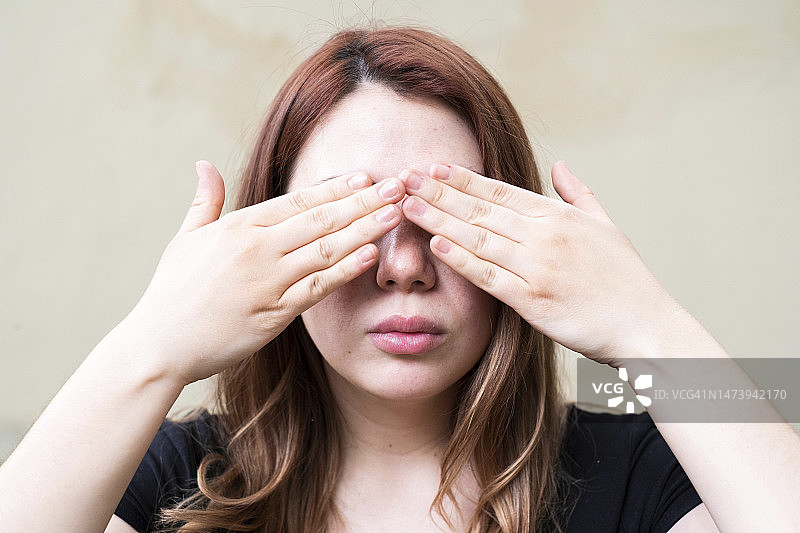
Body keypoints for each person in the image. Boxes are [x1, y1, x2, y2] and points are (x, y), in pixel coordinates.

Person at [1, 26, 798, 533]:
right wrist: (154, 342)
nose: (406, 266)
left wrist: (647, 323)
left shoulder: (637, 467)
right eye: (349, 224)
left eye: (448, 221)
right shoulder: (177, 477)